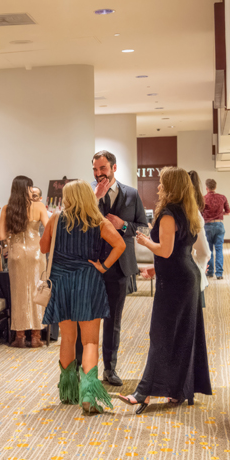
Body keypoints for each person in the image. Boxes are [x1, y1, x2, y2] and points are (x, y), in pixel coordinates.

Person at [119, 167, 212, 413]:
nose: (159, 187)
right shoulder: (188, 210)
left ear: (171, 187)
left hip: (176, 282)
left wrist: (145, 241)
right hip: (184, 276)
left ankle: (144, 392)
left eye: (162, 183)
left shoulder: (169, 213)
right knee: (181, 335)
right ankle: (177, 390)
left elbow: (166, 251)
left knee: (160, 335)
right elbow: (180, 250)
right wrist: (155, 269)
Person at [41, 180, 126, 414]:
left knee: (68, 339)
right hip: (89, 280)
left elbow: (44, 247)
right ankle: (88, 394)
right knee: (90, 342)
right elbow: (119, 245)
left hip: (61, 281)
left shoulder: (55, 219)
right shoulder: (98, 221)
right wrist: (104, 266)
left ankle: (68, 392)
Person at [76, 150, 148, 387]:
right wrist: (95, 198)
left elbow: (142, 227)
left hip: (119, 266)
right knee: (86, 319)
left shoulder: (131, 194)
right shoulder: (86, 193)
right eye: (95, 169)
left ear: (114, 168)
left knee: (113, 321)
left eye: (103, 168)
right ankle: (82, 368)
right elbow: (75, 224)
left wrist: (123, 225)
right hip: (90, 266)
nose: (98, 174)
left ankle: (110, 368)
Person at [0, 175, 50, 348]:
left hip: (17, 254)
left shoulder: (7, 209)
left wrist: (11, 236)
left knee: (18, 293)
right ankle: (36, 336)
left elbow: (2, 235)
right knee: (37, 292)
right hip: (36, 253)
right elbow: (49, 228)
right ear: (26, 189)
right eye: (29, 187)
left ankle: (19, 336)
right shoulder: (39, 206)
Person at [188, 171, 212, 306]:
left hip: (189, 270)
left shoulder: (190, 213)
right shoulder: (192, 213)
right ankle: (217, 272)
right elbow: (204, 251)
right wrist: (202, 266)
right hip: (191, 268)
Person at [202, 178, 230, 280]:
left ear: (206, 188)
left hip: (207, 226)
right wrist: (219, 214)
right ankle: (219, 273)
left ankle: (210, 272)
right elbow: (228, 212)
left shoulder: (203, 199)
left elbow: (200, 213)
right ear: (215, 187)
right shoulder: (222, 197)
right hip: (219, 225)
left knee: (209, 250)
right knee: (219, 249)